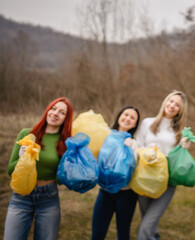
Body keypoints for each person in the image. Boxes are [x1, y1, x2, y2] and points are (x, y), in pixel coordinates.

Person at [4, 97, 74, 240]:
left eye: (62, 112)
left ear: (66, 119)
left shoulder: (66, 143)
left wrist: (69, 169)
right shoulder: (27, 134)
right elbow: (10, 170)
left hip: (48, 198)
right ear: (47, 110)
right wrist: (21, 159)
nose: (55, 113)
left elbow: (60, 180)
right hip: (21, 197)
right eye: (53, 109)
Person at [135, 90, 190, 240]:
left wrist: (184, 147)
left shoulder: (180, 132)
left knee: (146, 227)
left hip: (167, 182)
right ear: (165, 101)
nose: (172, 106)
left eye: (177, 105)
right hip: (145, 178)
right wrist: (148, 152)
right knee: (150, 225)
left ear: (180, 111)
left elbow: (178, 159)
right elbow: (138, 147)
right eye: (171, 101)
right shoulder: (147, 123)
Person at [91, 106, 140, 240]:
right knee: (97, 234)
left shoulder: (135, 143)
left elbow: (135, 167)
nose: (128, 119)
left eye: (132, 118)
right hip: (104, 191)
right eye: (126, 114)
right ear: (119, 116)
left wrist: (132, 149)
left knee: (123, 234)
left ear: (135, 124)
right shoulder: (105, 135)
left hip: (126, 194)